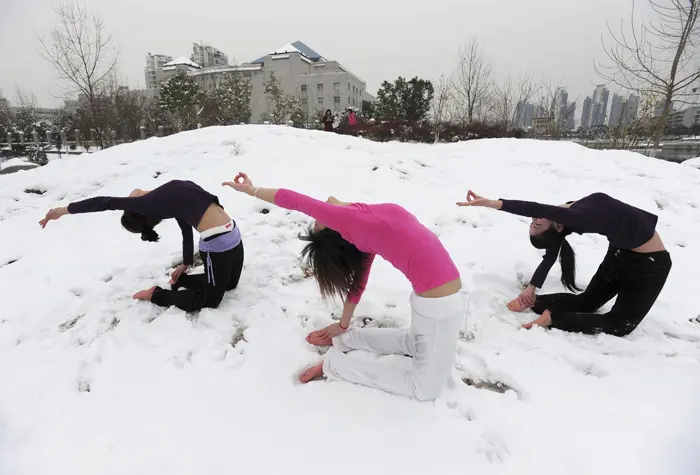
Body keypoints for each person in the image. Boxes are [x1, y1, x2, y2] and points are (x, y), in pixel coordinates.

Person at [222, 172, 464, 401]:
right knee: (424, 389)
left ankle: (347, 341)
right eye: (319, 223)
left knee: (414, 343)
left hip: (434, 300)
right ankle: (335, 365)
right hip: (439, 305)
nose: (318, 217)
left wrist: (342, 327)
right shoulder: (351, 221)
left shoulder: (362, 221)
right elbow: (294, 200)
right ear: (335, 229)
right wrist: (251, 190)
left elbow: (358, 285)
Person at [457, 190, 671, 337]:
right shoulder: (572, 217)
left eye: (533, 223)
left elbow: (538, 212)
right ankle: (554, 318)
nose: (535, 219)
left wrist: (531, 292)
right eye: (536, 224)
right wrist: (493, 204)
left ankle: (539, 304)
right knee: (620, 325)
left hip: (621, 255)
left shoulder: (568, 215)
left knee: (588, 301)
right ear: (557, 227)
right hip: (649, 266)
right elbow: (536, 210)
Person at [39, 179, 244, 312]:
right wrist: (61, 211)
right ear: (136, 210)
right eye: (129, 202)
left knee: (231, 285)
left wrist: (185, 264)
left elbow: (186, 233)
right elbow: (102, 202)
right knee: (210, 301)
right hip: (218, 247)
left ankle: (182, 280)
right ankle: (156, 294)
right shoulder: (146, 203)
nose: (130, 194)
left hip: (234, 236)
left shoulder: (167, 202)